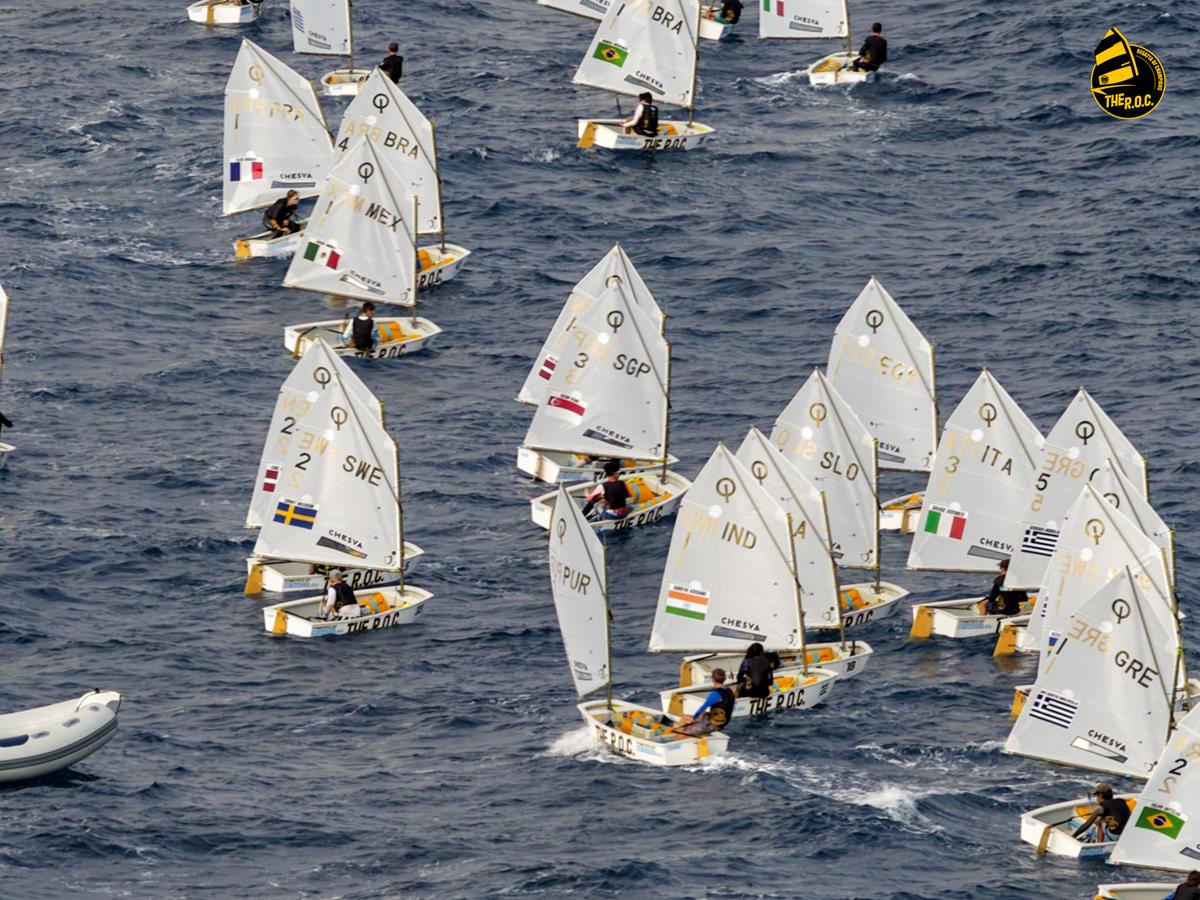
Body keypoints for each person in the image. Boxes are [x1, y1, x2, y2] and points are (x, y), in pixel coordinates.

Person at [674, 669, 736, 735]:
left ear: (713, 679)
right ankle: (681, 728)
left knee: (684, 732)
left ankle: (680, 735)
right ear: (724, 679)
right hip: (719, 720)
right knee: (684, 717)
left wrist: (693, 719)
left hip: (714, 725)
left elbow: (703, 708)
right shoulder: (729, 691)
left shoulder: (716, 694)